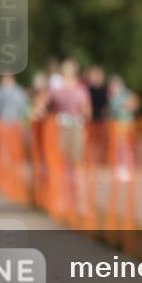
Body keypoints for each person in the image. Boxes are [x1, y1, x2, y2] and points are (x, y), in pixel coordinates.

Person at [48, 59, 92, 212]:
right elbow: (44, 103)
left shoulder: (80, 89)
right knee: (61, 165)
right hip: (61, 128)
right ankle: (61, 200)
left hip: (75, 128)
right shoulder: (57, 89)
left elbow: (87, 111)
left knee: (76, 166)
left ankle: (80, 202)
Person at [106, 74, 139, 182]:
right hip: (116, 124)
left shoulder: (126, 94)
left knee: (124, 146)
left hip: (125, 124)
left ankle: (126, 167)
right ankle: (120, 167)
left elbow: (134, 104)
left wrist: (125, 105)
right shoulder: (112, 96)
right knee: (118, 146)